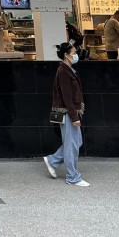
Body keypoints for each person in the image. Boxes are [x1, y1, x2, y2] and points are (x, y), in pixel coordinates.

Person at [44, 41, 88, 187]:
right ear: (66, 55)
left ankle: (52, 160)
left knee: (75, 142)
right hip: (68, 112)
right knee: (71, 145)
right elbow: (66, 97)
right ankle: (72, 177)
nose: (76, 55)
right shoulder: (63, 71)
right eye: (74, 52)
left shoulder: (67, 69)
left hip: (69, 111)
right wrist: (74, 117)